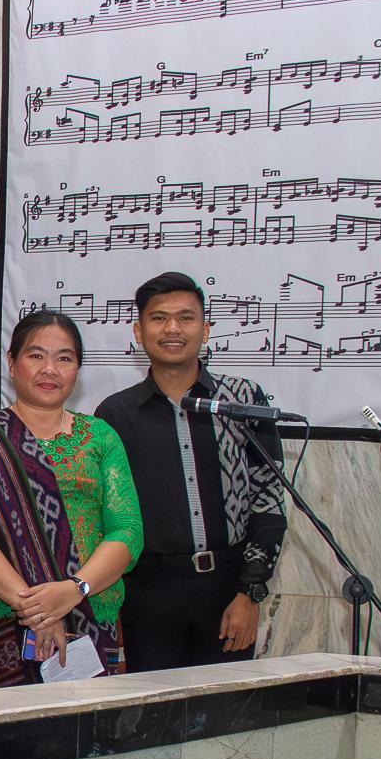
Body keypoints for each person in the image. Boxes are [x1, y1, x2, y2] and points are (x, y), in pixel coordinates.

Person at [94, 271, 287, 671]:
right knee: (154, 706)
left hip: (228, 590)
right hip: (148, 594)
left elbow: (268, 500)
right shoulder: (114, 414)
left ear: (206, 328)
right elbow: (107, 517)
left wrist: (250, 593)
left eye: (186, 317)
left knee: (225, 705)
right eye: (159, 318)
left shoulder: (242, 400)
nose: (173, 329)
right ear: (138, 331)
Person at [0, 311, 142, 688]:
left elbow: (127, 531)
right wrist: (35, 607)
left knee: (88, 726)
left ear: (77, 369)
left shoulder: (101, 437)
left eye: (64, 358)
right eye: (36, 355)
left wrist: (73, 590)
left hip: (89, 617)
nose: (49, 369)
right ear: (12, 362)